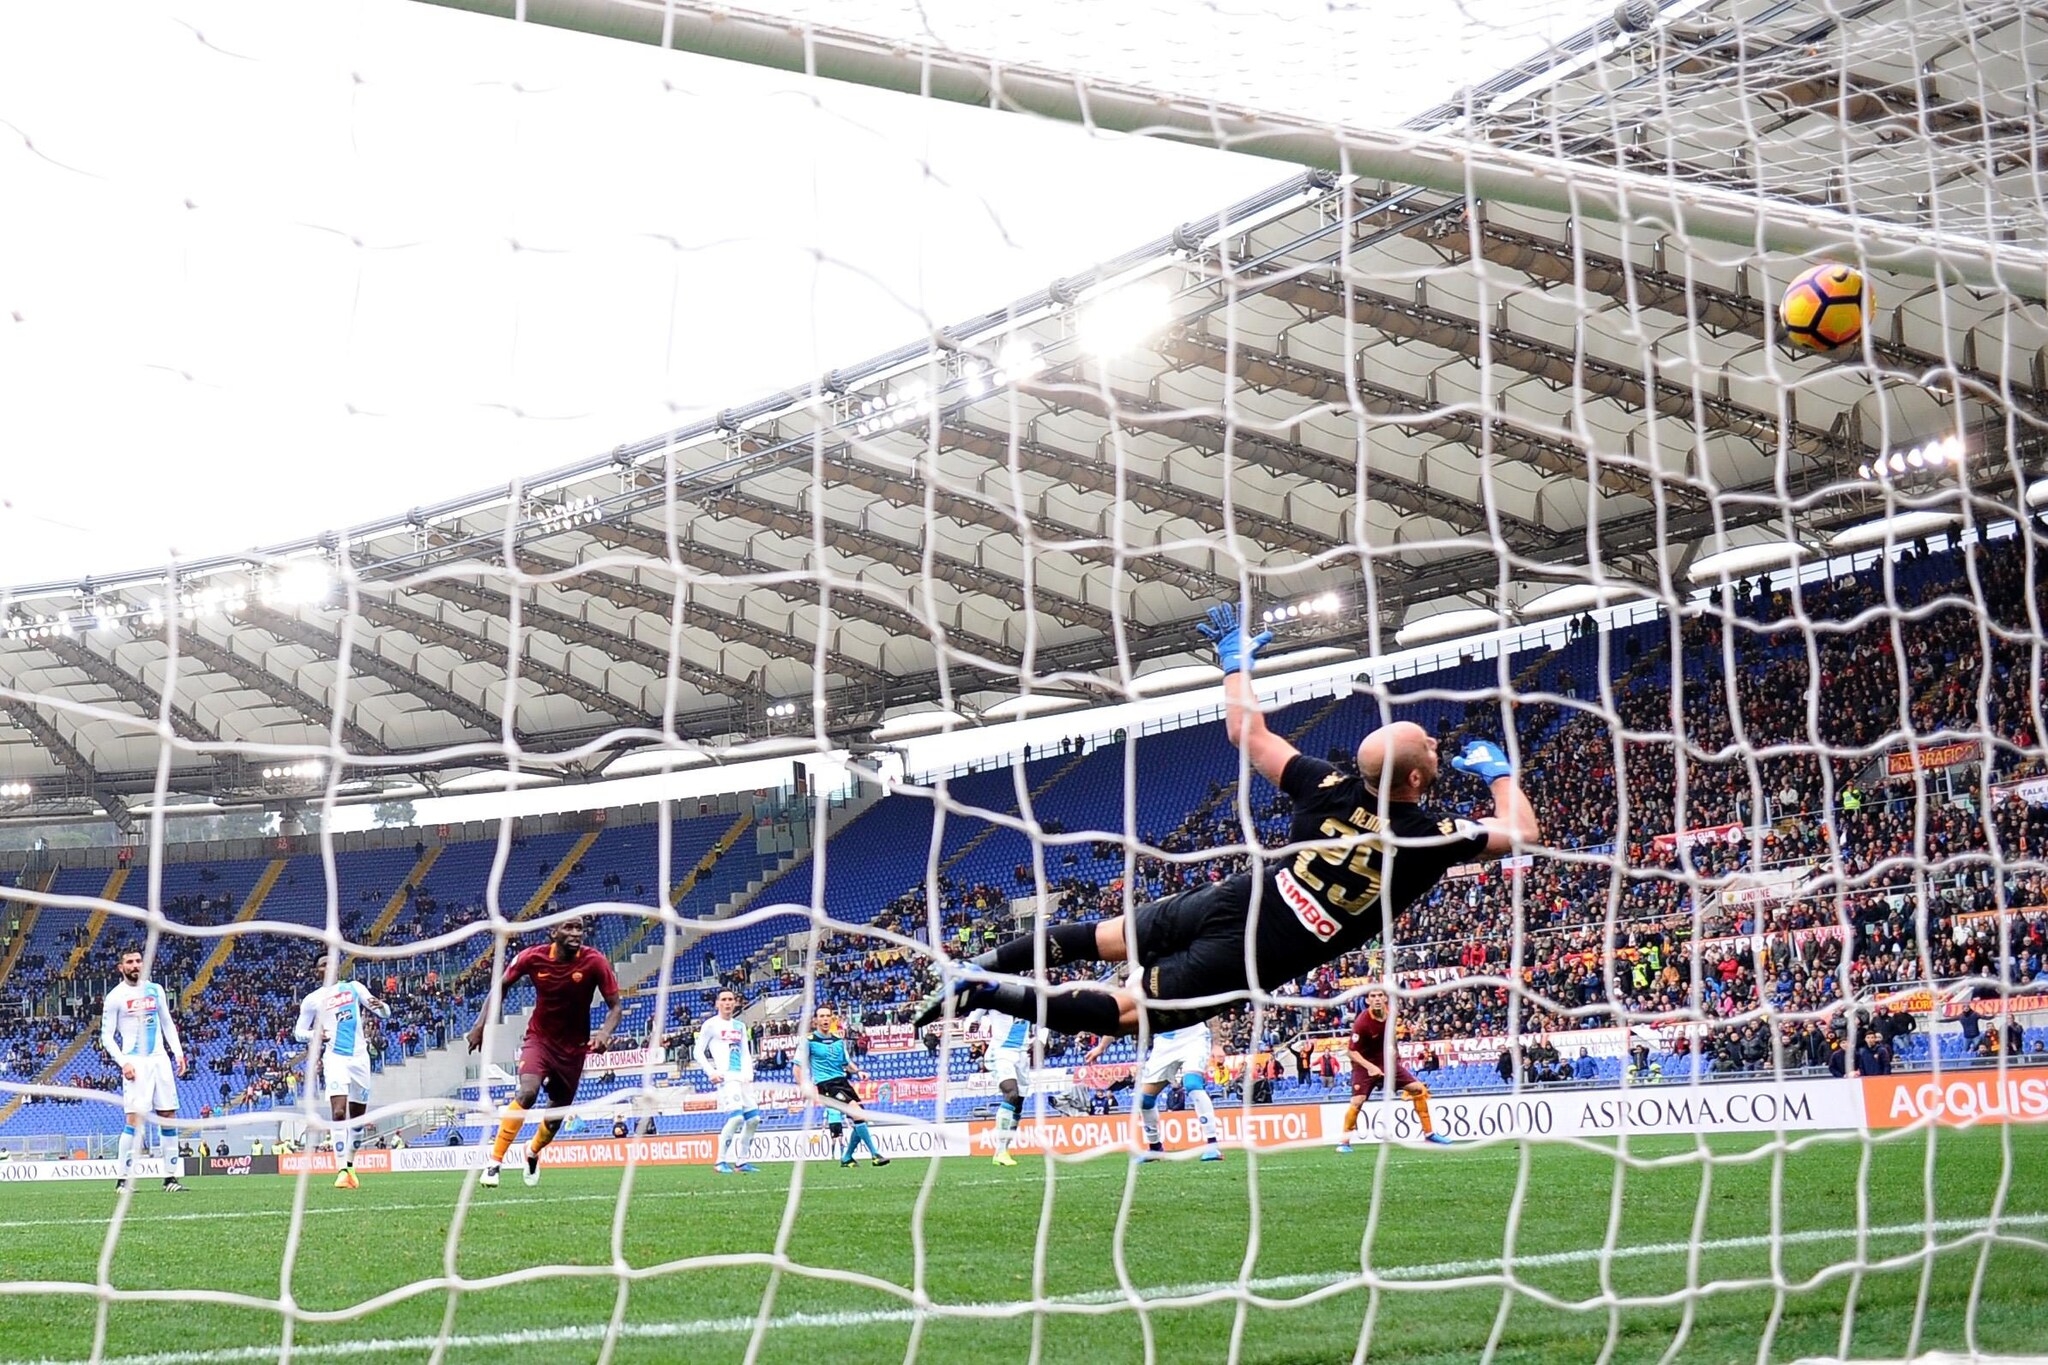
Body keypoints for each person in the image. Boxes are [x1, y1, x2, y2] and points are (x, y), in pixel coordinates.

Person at [916, 605, 1538, 1037]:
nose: (1435, 743)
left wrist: (1235, 662)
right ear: (1417, 780)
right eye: (1429, 746)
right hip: (1264, 947)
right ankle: (993, 992)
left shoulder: (1324, 785)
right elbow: (1524, 834)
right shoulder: (1431, 840)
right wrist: (1499, 773)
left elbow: (1245, 730)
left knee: (1111, 935)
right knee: (1134, 1013)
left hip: (1238, 896)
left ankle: (987, 964)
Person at [465, 915, 621, 1190]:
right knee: (527, 1092)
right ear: (553, 932)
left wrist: (604, 1033)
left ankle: (533, 1151)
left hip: (573, 1050)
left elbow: (615, 1007)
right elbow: (499, 987)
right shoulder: (532, 958)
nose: (576, 933)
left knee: (555, 1116)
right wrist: (480, 1025)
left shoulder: (594, 961)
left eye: (579, 928)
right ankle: (494, 1161)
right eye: (569, 927)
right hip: (540, 1040)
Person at [291, 963, 391, 1190]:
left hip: (360, 1059)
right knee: (338, 1112)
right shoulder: (312, 999)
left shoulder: (354, 988)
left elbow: (383, 1013)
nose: (326, 967)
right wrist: (315, 1035)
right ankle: (340, 1169)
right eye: (321, 965)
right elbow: (298, 1032)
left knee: (357, 1119)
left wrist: (382, 1006)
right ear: (316, 971)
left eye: (329, 963)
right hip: (335, 1058)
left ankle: (350, 1166)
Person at [100, 946, 189, 1193]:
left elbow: (167, 1022)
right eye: (130, 962)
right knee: (135, 1119)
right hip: (135, 1061)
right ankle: (123, 1180)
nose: (135, 965)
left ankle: (170, 1178)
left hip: (160, 1059)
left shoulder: (155, 990)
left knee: (168, 1115)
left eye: (138, 960)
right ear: (121, 967)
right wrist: (123, 1062)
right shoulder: (115, 997)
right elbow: (106, 1037)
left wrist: (178, 1053)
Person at [1089, 1019, 1222, 1162]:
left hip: (1194, 1037)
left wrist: (1217, 1045)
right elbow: (1122, 1020)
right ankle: (1155, 1148)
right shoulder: (1146, 997)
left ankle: (1212, 1145)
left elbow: (1212, 1014)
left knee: (1192, 1084)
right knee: (1144, 1099)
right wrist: (1101, 1047)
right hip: (1164, 1044)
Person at [1335, 988, 1448, 1150]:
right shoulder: (1362, 1022)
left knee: (1418, 1089)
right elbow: (1351, 1052)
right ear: (1368, 1001)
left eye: (1380, 995)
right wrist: (1371, 1067)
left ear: (1385, 998)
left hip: (1387, 1063)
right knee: (1357, 1102)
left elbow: (1390, 1036)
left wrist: (1396, 1052)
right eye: (1373, 996)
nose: (1377, 999)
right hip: (1364, 1065)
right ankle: (1344, 1142)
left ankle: (1429, 1134)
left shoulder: (1390, 1014)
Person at [797, 1004, 889, 1168]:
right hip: (826, 1085)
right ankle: (875, 1154)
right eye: (821, 1016)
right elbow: (797, 1066)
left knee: (860, 1117)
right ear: (815, 1020)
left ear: (832, 1019)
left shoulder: (838, 1041)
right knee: (858, 1113)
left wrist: (858, 1071)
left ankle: (847, 1157)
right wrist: (803, 1085)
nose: (825, 1019)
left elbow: (846, 1064)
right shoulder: (809, 1041)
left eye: (828, 1016)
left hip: (843, 1082)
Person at [693, 989, 762, 1174]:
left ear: (735, 1003)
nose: (727, 1003)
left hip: (742, 1078)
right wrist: (711, 1072)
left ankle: (742, 1162)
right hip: (726, 1077)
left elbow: (746, 1052)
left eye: (731, 999)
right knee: (737, 1117)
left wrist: (749, 1074)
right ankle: (720, 1161)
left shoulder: (740, 1026)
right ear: (717, 1004)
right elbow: (697, 1051)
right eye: (724, 1000)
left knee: (754, 1119)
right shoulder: (711, 1025)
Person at [969, 1008, 1033, 1168]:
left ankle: (1004, 1150)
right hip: (1001, 1052)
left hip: (1022, 1054)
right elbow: (978, 1007)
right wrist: (972, 1021)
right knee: (1011, 1093)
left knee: (1018, 1103)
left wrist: (1041, 1040)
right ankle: (1001, 1151)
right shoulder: (997, 992)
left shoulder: (1031, 995)